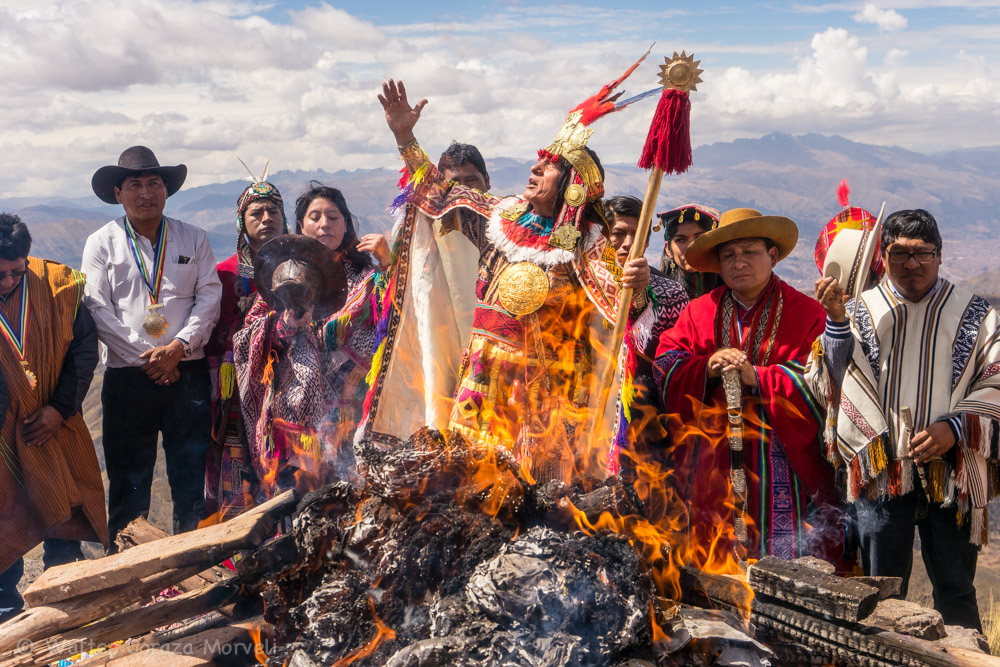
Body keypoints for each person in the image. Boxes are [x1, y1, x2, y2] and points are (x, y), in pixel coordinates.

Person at [366, 78, 650, 484]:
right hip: (480, 384)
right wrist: (405, 136)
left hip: (548, 402)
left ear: (573, 188)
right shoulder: (502, 217)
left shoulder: (590, 247)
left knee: (535, 501)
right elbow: (439, 194)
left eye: (550, 165)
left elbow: (619, 317)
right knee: (467, 489)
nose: (534, 168)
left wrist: (636, 288)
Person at [809, 209, 1000, 630]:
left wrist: (954, 428)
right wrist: (837, 322)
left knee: (956, 591)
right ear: (884, 254)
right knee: (879, 591)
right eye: (900, 253)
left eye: (923, 253)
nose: (912, 264)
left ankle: (962, 657)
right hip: (882, 474)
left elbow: (996, 378)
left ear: (940, 255)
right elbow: (833, 379)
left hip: (951, 475)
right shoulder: (858, 311)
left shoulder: (975, 316)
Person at [654, 208, 844, 568]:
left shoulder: (807, 313)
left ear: (772, 256)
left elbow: (822, 381)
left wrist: (757, 377)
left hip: (782, 461)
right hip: (713, 459)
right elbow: (666, 365)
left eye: (749, 252)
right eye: (729, 255)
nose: (739, 262)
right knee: (713, 556)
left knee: (788, 563)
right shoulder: (697, 312)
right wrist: (705, 366)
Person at [82, 146, 222, 544]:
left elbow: (209, 296)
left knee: (190, 480)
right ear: (117, 193)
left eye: (154, 183)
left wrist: (178, 348)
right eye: (135, 185)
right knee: (128, 483)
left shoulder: (193, 238)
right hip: (128, 378)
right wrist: (150, 359)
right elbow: (96, 307)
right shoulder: (102, 244)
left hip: (187, 374)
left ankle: (192, 574)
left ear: (166, 190)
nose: (146, 192)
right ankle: (130, 578)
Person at [235, 184, 389, 496]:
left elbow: (396, 320)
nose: (324, 224)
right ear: (301, 225)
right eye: (314, 217)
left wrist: (388, 264)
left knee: (351, 503)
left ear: (346, 224)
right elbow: (246, 338)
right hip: (295, 423)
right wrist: (285, 325)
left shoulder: (368, 277)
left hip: (353, 415)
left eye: (333, 217)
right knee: (300, 508)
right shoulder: (281, 276)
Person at [0, 213, 107, 620]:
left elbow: (83, 352)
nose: (9, 282)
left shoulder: (58, 286)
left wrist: (59, 409)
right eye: (0, 276)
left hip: (54, 425)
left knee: (64, 506)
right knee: (5, 520)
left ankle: (66, 606)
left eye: (16, 271)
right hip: (2, 436)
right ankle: (6, 613)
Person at [204, 174, 288, 518]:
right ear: (242, 222)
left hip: (287, 385)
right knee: (235, 463)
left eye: (273, 211)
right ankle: (232, 549)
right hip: (233, 391)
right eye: (256, 213)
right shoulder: (223, 273)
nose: (266, 218)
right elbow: (210, 334)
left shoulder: (301, 267)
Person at [605, 195, 688, 472]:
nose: (628, 243)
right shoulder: (581, 286)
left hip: (641, 427)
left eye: (637, 234)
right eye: (618, 233)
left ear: (649, 240)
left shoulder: (671, 293)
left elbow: (675, 365)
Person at [657, 204, 723, 299]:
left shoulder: (731, 289)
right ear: (668, 249)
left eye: (698, 238)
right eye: (681, 240)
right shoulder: (657, 295)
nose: (690, 247)